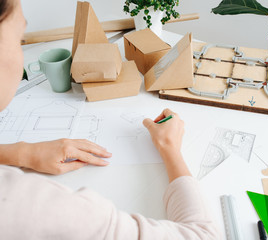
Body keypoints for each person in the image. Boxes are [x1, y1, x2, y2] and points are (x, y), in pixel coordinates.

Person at [0, 0, 220, 239]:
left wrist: (18, 153)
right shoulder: (26, 204)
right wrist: (170, 149)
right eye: (19, 39)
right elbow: (202, 235)